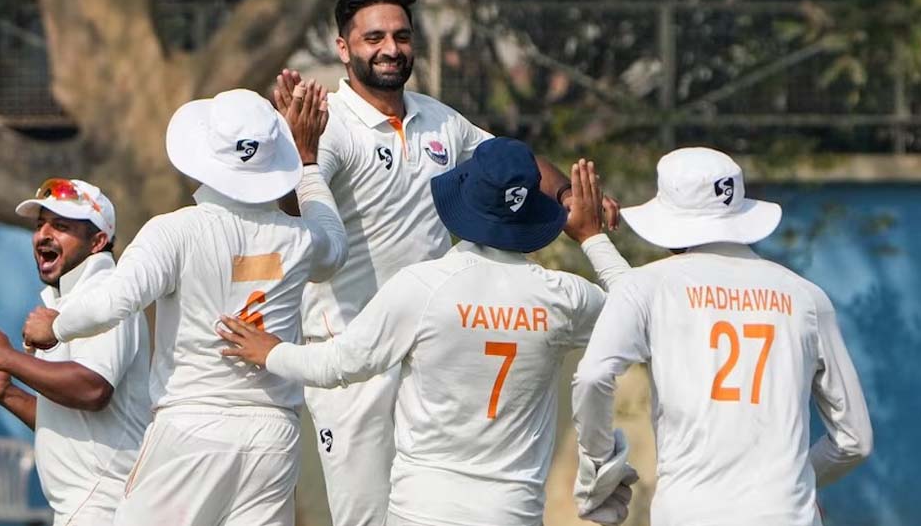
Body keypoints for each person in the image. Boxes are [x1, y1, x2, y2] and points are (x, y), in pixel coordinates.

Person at [272, 0, 620, 525]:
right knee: (366, 515)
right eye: (373, 38)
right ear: (343, 48)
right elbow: (295, 217)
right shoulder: (328, 125)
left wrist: (569, 197)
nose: (391, 49)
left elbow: (510, 159)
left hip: (432, 343)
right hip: (350, 351)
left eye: (402, 36)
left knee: (432, 503)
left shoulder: (440, 119)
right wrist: (297, 156)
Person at [216, 138, 638, 526]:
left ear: (466, 200)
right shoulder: (564, 297)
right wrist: (591, 237)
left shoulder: (422, 286)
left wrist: (272, 352)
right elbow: (638, 312)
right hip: (512, 513)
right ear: (535, 213)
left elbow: (338, 364)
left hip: (422, 511)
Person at [21, 85, 347, 526]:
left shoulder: (176, 231)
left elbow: (116, 300)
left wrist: (55, 327)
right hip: (273, 436)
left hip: (192, 427)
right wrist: (307, 163)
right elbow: (335, 247)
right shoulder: (299, 238)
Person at [572, 147, 874, 526]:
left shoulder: (649, 287)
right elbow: (855, 440)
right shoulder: (806, 297)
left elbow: (594, 375)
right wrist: (790, 484)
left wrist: (600, 471)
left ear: (669, 221)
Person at [0, 179, 150, 526]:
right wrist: (8, 394)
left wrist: (8, 359)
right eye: (40, 225)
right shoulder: (69, 301)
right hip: (87, 504)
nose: (43, 235)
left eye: (61, 226)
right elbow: (73, 420)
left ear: (98, 241)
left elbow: (93, 389)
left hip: (105, 505)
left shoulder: (105, 294)